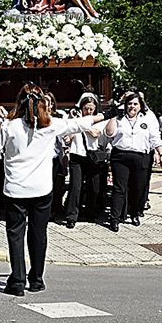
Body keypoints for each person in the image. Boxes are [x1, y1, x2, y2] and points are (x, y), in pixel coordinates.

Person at [0, 84, 101, 295]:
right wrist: (101, 116)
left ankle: (17, 281)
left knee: (16, 235)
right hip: (41, 189)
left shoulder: (9, 126)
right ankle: (36, 279)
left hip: (16, 189)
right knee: (39, 234)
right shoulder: (50, 125)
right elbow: (77, 124)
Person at [104, 91, 162, 230]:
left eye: (135, 104)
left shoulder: (147, 119)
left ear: (140, 106)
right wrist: (113, 115)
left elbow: (155, 138)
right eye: (129, 104)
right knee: (119, 188)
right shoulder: (119, 118)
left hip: (140, 156)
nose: (132, 107)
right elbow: (109, 133)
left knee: (138, 187)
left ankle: (135, 213)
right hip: (121, 156)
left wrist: (161, 154)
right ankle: (115, 218)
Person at [62, 93, 108, 228]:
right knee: (75, 186)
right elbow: (68, 138)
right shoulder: (74, 120)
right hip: (77, 155)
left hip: (92, 156)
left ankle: (90, 211)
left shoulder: (98, 120)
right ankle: (71, 215)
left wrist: (81, 123)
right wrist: (74, 123)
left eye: (91, 109)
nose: (88, 111)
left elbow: (95, 133)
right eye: (86, 108)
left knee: (94, 186)